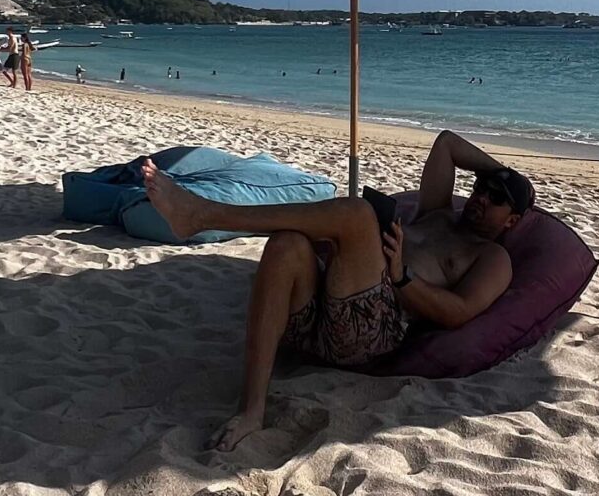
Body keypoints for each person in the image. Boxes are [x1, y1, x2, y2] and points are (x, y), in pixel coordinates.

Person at [139, 127, 529, 451]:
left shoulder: (492, 257)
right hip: (319, 316)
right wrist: (506, 175)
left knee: (359, 213)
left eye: (496, 199)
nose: (481, 198)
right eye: (481, 188)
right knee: (287, 244)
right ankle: (251, 409)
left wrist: (402, 277)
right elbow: (446, 143)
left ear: (512, 221)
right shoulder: (438, 213)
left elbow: (459, 311)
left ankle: (204, 214)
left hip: (370, 330)